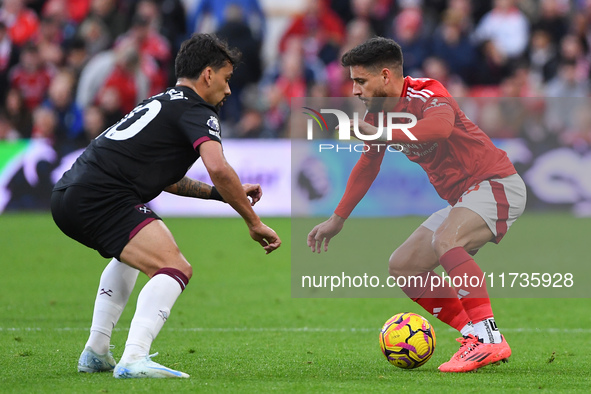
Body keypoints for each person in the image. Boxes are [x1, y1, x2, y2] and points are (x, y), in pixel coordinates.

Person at [51, 33, 281, 379]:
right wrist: (253, 221)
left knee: (128, 255)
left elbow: (166, 178)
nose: (229, 90)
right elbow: (218, 166)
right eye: (226, 79)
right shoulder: (197, 109)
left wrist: (220, 195)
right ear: (207, 75)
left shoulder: (158, 101)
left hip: (68, 195)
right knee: (174, 267)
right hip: (102, 197)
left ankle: (97, 351)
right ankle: (134, 358)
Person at [307, 37, 526, 373]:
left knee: (445, 241)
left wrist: (383, 135)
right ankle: (472, 335)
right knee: (404, 265)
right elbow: (368, 165)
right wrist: (337, 219)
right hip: (465, 197)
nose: (354, 90)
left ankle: (489, 339)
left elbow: (440, 128)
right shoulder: (379, 114)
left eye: (360, 81)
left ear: (385, 76)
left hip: (495, 183)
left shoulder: (426, 92)